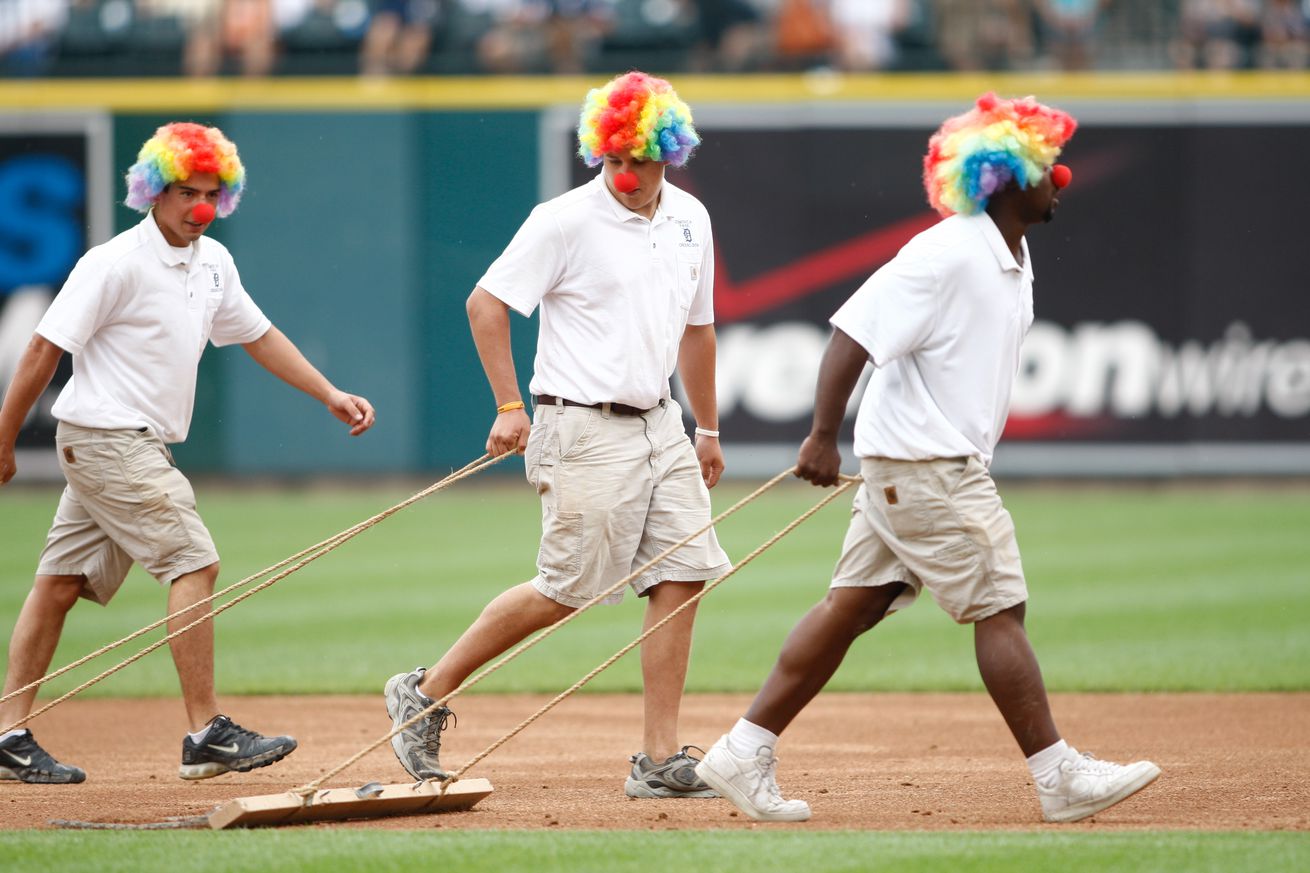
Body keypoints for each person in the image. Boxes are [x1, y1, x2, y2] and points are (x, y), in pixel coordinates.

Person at [694, 93, 1161, 823]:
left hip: (919, 464)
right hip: (928, 467)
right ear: (1006, 179)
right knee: (1000, 603)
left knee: (853, 605)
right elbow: (853, 332)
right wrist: (822, 433)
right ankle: (1057, 773)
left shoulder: (1012, 252)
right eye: (1047, 168)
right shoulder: (946, 251)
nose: (1060, 180)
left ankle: (740, 749)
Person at [385, 70, 731, 799]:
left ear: (671, 151)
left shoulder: (690, 218)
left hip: (662, 423)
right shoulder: (563, 219)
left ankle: (659, 758)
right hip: (579, 421)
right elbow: (485, 304)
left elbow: (698, 331)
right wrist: (510, 404)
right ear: (597, 152)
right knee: (568, 588)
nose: (628, 175)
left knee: (685, 572)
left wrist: (708, 425)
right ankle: (426, 688)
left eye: (642, 158)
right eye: (615, 159)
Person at [0, 122, 376, 784]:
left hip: (127, 443)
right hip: (107, 437)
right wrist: (3, 441)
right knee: (194, 561)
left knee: (58, 586)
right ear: (152, 191)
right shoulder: (113, 263)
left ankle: (6, 733)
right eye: (184, 191)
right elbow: (41, 348)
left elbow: (257, 335)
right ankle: (206, 733)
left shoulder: (214, 262)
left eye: (211, 192)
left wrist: (328, 392)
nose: (199, 206)